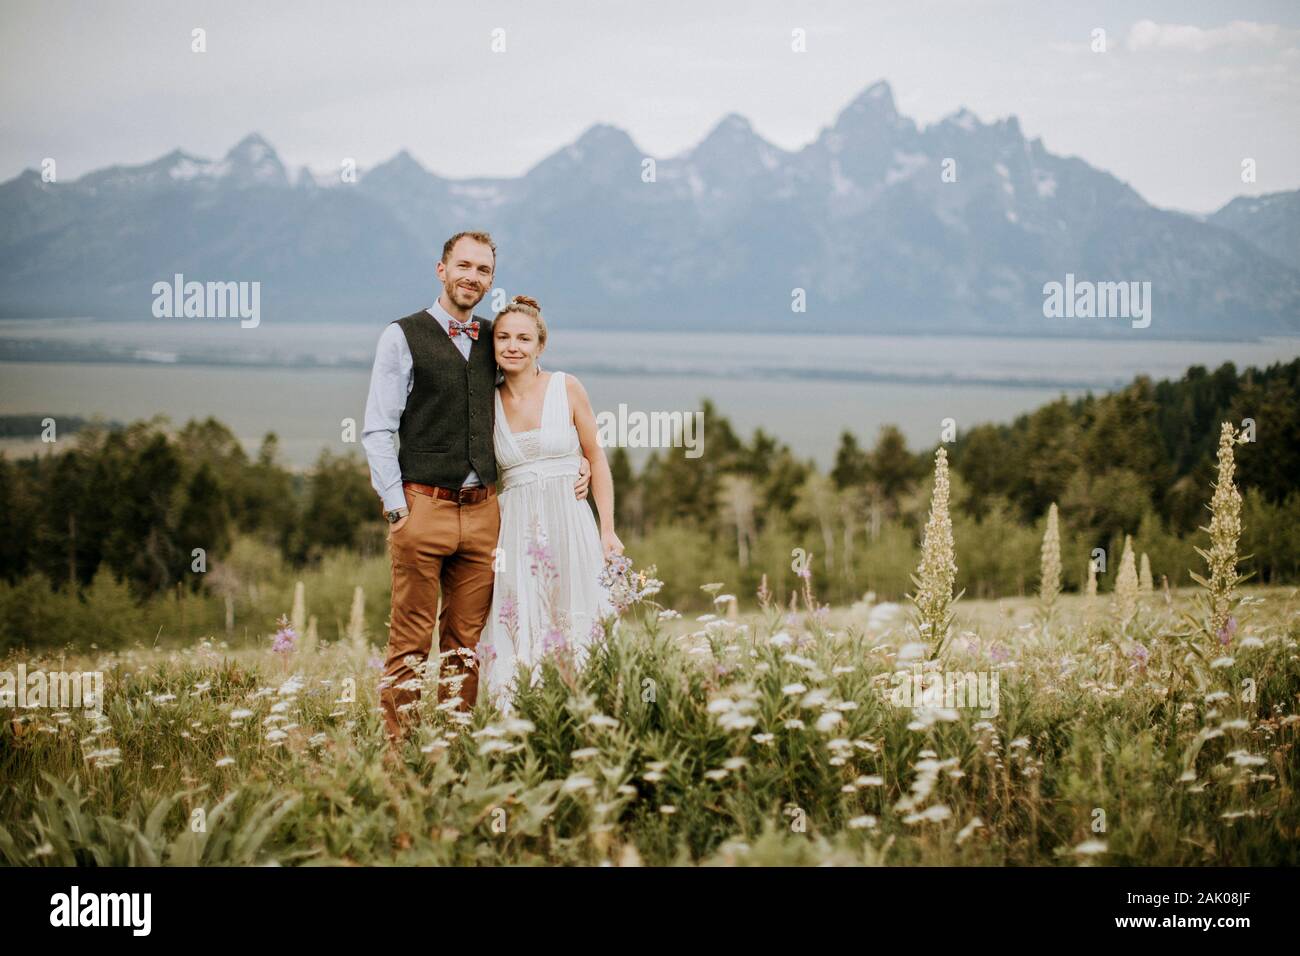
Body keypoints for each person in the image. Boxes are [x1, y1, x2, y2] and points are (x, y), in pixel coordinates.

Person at [361, 231, 590, 745]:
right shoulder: (401, 336)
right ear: (441, 269)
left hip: (486, 514)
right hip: (423, 507)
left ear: (491, 281)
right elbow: (378, 428)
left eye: (483, 270)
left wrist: (578, 462)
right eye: (463, 265)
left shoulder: (495, 338)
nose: (472, 277)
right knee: (411, 640)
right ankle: (403, 755)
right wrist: (397, 506)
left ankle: (454, 744)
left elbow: (534, 402)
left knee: (467, 642)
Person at [478, 294, 623, 710]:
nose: (512, 346)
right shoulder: (486, 402)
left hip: (571, 520)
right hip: (516, 526)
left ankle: (588, 707)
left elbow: (595, 455)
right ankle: (524, 713)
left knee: (576, 611)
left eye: (523, 338)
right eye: (502, 337)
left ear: (540, 345)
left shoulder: (567, 386)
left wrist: (607, 530)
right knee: (521, 615)